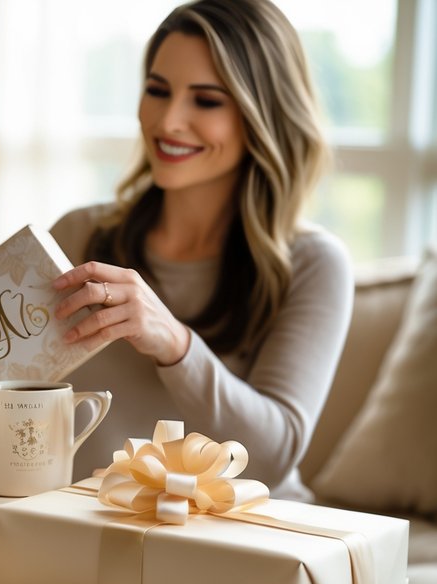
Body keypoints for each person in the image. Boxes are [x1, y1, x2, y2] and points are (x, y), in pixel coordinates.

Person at [49, 0, 351, 502]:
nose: (169, 121)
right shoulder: (79, 235)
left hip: (246, 537)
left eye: (206, 101)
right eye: (157, 90)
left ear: (262, 116)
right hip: (96, 530)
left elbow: (274, 457)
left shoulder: (314, 264)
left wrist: (174, 344)